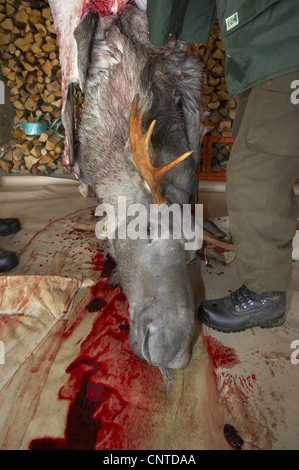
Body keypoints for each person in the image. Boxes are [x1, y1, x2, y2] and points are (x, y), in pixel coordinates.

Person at [146, 0, 299, 332]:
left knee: (256, 174)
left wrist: (159, 37)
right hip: (272, 53)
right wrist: (187, 34)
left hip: (284, 49)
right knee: (260, 157)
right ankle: (264, 277)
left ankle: (265, 295)